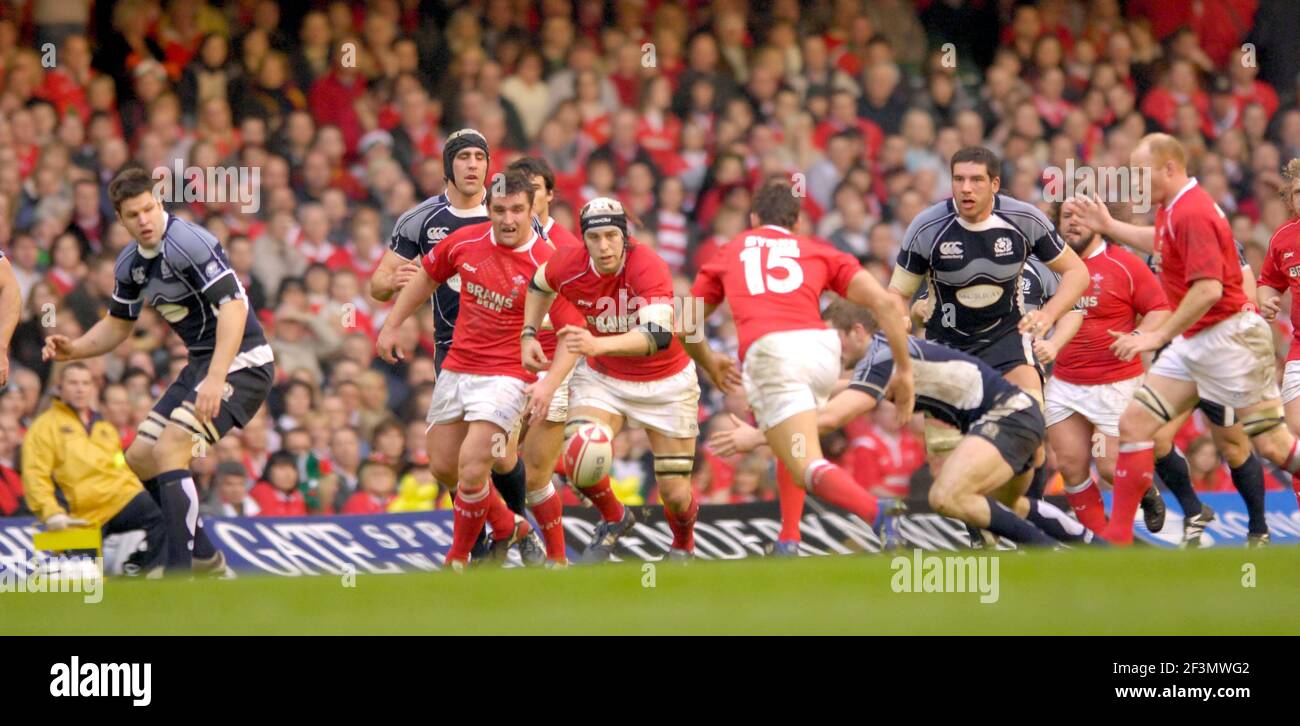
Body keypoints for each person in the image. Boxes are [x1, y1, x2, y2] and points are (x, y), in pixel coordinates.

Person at [42, 166, 272, 572]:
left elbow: (234, 308)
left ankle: (178, 574)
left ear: (159, 203)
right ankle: (203, 556)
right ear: (120, 219)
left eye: (149, 209)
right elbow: (117, 324)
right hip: (202, 363)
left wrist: (217, 378)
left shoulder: (188, 242)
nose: (144, 221)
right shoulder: (130, 262)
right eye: (134, 215)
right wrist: (74, 349)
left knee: (169, 449)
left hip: (242, 362)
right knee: (141, 456)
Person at [1074, 134, 1297, 546]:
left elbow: (1209, 290)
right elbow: (1154, 241)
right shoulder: (1172, 209)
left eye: (1142, 173)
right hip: (1198, 340)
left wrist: (1156, 335)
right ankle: (1118, 539)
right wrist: (1109, 226)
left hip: (1231, 339)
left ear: (1170, 168)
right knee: (1136, 423)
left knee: (1271, 443)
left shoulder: (1193, 212)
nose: (1136, 182)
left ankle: (1252, 528)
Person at [713, 300, 1066, 547]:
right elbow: (851, 386)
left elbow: (834, 417)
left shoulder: (878, 356)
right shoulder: (884, 353)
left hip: (1006, 415)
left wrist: (756, 437)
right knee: (1009, 504)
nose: (828, 350)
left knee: (947, 495)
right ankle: (1094, 545)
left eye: (831, 339)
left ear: (855, 331)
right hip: (1012, 413)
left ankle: (1044, 549)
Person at [690, 180, 915, 551]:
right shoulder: (817, 250)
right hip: (821, 350)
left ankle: (876, 511)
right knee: (791, 442)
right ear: (795, 224)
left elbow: (684, 320)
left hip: (772, 353)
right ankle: (789, 538)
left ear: (753, 219)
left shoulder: (730, 250)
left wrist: (710, 361)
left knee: (806, 464)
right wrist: (904, 371)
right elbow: (887, 305)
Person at [887, 145, 1088, 542]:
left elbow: (1077, 274)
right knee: (946, 473)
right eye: (959, 179)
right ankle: (986, 541)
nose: (966, 188)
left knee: (1031, 444)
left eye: (977, 179)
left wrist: (1048, 316)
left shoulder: (1023, 219)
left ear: (994, 183)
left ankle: (1026, 533)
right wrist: (902, 316)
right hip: (947, 352)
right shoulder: (928, 227)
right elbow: (896, 293)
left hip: (1006, 343)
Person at [524, 196, 739, 562]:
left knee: (674, 494)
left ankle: (683, 544)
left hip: (666, 382)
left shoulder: (648, 266)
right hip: (605, 380)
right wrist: (529, 331)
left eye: (611, 236)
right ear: (584, 239)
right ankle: (615, 516)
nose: (604, 246)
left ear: (624, 236)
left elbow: (657, 336)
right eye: (595, 238)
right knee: (581, 456)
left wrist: (595, 342)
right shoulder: (568, 263)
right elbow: (538, 284)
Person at [376, 169, 549, 570]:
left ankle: (457, 559)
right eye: (501, 209)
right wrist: (391, 325)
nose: (508, 219)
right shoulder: (463, 243)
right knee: (444, 467)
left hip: (507, 375)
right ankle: (510, 525)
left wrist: (549, 382)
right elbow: (426, 279)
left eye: (518, 211)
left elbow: (570, 326)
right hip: (457, 366)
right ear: (488, 209)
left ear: (530, 213)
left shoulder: (546, 262)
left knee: (474, 466)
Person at [1043, 199, 1172, 535]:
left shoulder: (1124, 263)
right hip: (1065, 383)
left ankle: (1148, 492)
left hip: (1114, 385)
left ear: (1100, 220)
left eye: (1081, 216)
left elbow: (1160, 308)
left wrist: (1140, 336)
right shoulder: (1047, 267)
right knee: (1071, 467)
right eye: (1066, 216)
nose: (1073, 223)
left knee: (1111, 467)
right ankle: (1100, 544)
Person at [22, 363, 166, 575]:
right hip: (78, 516)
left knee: (167, 506)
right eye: (73, 383)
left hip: (118, 501)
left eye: (85, 383)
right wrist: (50, 513)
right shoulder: (44, 427)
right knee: (86, 580)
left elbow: (120, 467)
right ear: (59, 388)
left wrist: (139, 490)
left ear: (92, 388)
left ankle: (145, 569)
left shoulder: (104, 427)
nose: (80, 389)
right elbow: (35, 475)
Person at [1255, 158, 1300, 512]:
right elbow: (1268, 282)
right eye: (1297, 193)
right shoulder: (1283, 239)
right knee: (1294, 432)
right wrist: (1267, 301)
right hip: (1299, 348)